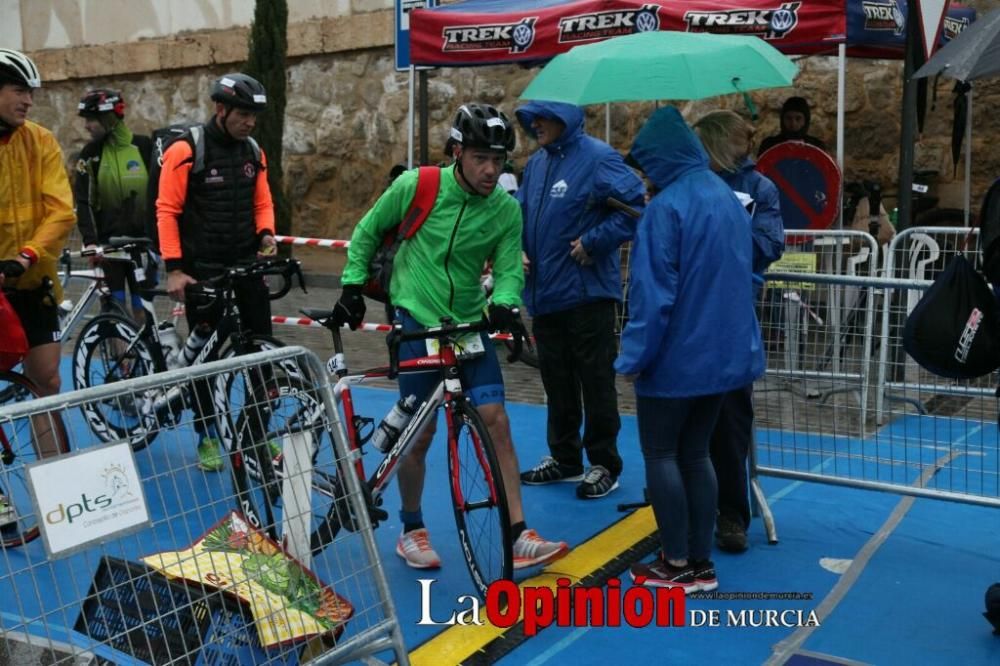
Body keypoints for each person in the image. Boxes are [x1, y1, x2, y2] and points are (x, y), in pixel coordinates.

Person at [333, 102, 568, 571]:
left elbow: (507, 269)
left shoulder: (504, 210)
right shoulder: (417, 185)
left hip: (466, 325)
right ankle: (411, 528)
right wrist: (353, 285)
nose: (490, 169)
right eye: (481, 158)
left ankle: (518, 534)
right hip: (418, 319)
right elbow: (366, 231)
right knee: (419, 435)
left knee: (495, 419)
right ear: (457, 152)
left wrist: (505, 299)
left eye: (499, 160)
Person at [617, 106, 764, 592]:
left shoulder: (665, 208)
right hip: (725, 359)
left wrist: (633, 358)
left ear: (658, 158)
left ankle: (675, 563)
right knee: (698, 455)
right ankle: (699, 563)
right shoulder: (727, 197)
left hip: (676, 358)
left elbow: (652, 296)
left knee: (661, 453)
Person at [514, 101, 645, 499]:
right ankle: (566, 458)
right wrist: (515, 248)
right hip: (546, 293)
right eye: (531, 117)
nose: (535, 124)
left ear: (564, 117)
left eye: (543, 116)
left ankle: (604, 463)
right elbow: (518, 216)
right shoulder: (537, 164)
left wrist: (593, 242)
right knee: (557, 381)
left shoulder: (600, 158)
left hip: (587, 295)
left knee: (596, 381)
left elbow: (634, 207)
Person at [156, 72, 277, 472]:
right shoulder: (186, 150)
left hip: (245, 267)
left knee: (262, 354)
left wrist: (267, 235)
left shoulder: (253, 150)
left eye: (254, 116)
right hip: (203, 271)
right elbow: (168, 211)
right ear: (221, 109)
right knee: (206, 360)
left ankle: (259, 434)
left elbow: (263, 202)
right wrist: (174, 269)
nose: (250, 122)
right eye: (244, 114)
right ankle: (207, 435)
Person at [693, 110, 784, 553]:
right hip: (689, 320)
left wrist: (724, 230)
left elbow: (769, 245)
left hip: (731, 322)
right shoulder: (686, 184)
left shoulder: (759, 188)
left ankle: (732, 514)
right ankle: (688, 505)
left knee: (730, 425)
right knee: (684, 421)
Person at [0, 49, 75, 399]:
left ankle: (55, 457)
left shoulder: (40, 140)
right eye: (20, 90)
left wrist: (27, 255)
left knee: (47, 383)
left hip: (32, 282)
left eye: (31, 93)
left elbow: (61, 211)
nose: (28, 101)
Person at [75, 88, 154, 319]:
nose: (86, 126)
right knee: (115, 312)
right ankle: (122, 356)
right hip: (107, 249)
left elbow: (160, 196)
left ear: (109, 118)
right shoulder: (90, 154)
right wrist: (90, 241)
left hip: (143, 244)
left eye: (91, 119)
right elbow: (84, 201)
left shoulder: (143, 146)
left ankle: (144, 354)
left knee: (143, 310)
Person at [757, 96, 827, 155]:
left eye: (798, 118)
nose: (793, 123)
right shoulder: (769, 145)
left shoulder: (816, 147)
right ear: (782, 120)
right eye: (788, 118)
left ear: (805, 120)